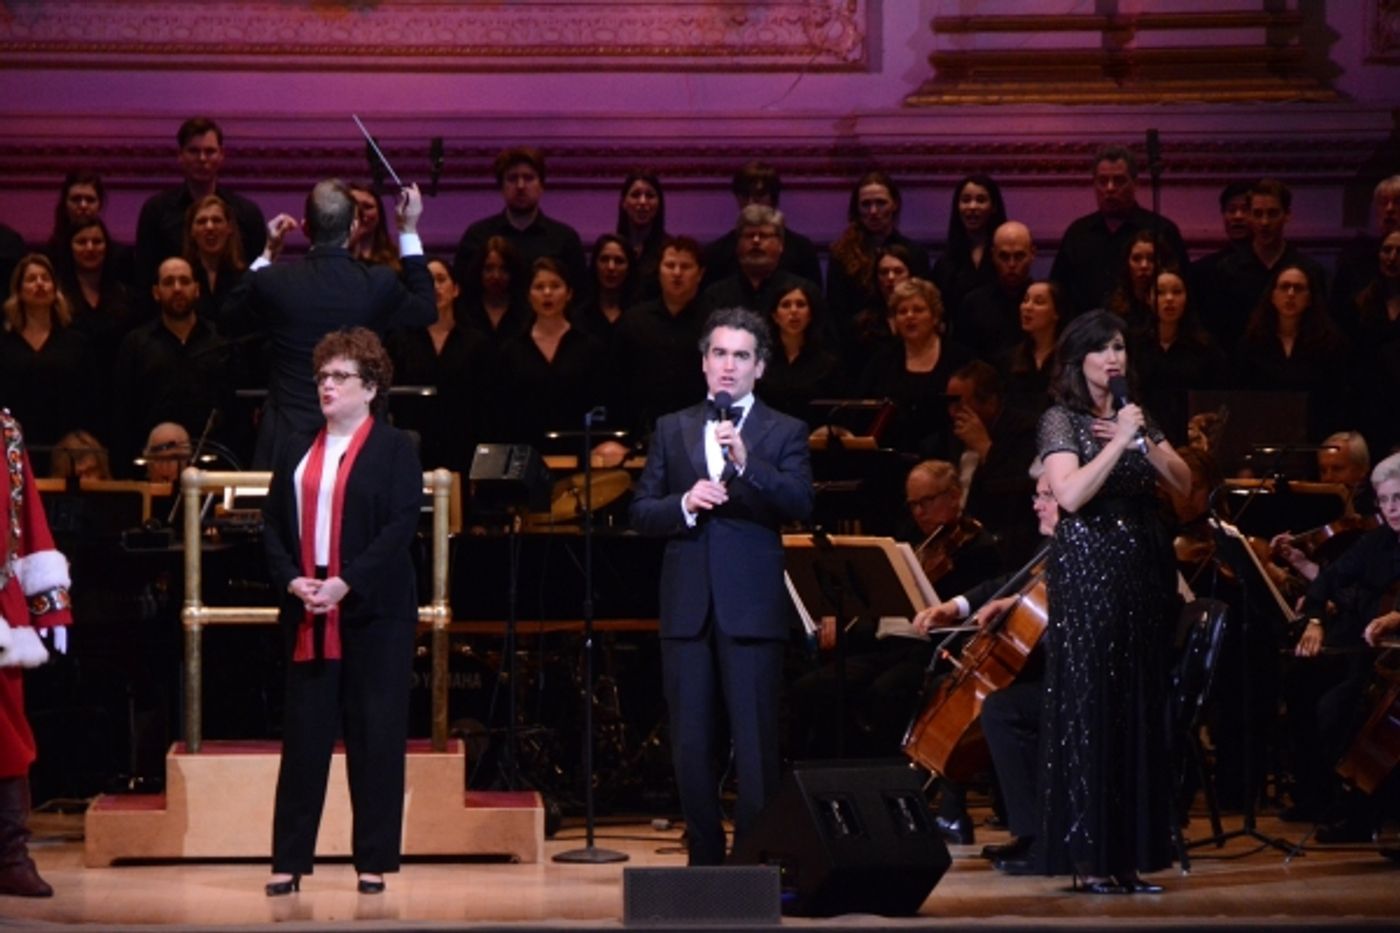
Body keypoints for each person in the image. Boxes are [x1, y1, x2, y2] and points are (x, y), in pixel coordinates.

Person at [628, 306, 813, 866]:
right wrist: (684, 504)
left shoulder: (784, 430)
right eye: (718, 354)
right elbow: (641, 510)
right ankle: (704, 858)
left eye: (741, 356)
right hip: (687, 606)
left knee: (755, 743)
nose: (728, 366)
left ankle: (753, 858)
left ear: (759, 367)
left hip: (751, 607)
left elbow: (800, 503)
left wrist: (748, 464)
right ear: (704, 363)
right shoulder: (671, 427)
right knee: (690, 742)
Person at [261, 328, 422, 897]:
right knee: (304, 736)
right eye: (322, 376)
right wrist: (292, 580)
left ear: (371, 387)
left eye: (339, 377)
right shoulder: (298, 444)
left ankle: (373, 862)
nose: (326, 386)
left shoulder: (397, 447)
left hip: (374, 610)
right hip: (309, 605)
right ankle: (289, 861)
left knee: (376, 735)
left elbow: (401, 525)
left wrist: (346, 583)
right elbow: (272, 525)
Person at [1033, 309, 1190, 892]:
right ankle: (1088, 858)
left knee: (1136, 706)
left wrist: (1141, 440)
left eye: (1120, 346)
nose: (1114, 358)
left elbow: (1183, 482)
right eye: (1102, 349)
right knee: (1094, 705)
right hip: (1092, 568)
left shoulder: (1136, 418)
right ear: (1079, 360)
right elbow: (1070, 494)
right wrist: (1119, 442)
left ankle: (1128, 856)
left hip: (1143, 568)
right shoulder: (1060, 421)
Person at [222, 179, 435, 467]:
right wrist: (408, 230)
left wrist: (267, 253)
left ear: (306, 227)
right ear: (353, 227)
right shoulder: (378, 282)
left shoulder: (274, 281)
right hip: (360, 449)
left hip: (288, 444)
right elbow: (426, 310)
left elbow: (227, 316)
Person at [913, 466, 1061, 872]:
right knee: (970, 692)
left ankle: (1035, 835)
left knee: (1000, 708)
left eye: (1045, 495)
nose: (1036, 503)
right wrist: (956, 606)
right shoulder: (1050, 548)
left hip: (1076, 682)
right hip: (1045, 672)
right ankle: (965, 811)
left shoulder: (1079, 553)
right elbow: (1007, 583)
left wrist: (1013, 607)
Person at [1283, 452, 1400, 842]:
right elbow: (1326, 581)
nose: (1391, 508)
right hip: (1373, 661)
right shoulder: (1377, 542)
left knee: (1347, 711)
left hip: (1391, 665)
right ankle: (1348, 804)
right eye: (1384, 501)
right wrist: (1314, 619)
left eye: (1399, 498)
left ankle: (1366, 810)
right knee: (1312, 693)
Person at [0, 410, 73, 898]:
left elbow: (27, 519)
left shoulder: (4, 430)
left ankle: (9, 856)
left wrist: (49, 606)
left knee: (7, 733)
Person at [112, 256, 232, 473]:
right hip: (151, 469)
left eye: (184, 281)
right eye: (168, 282)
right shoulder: (136, 344)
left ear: (197, 289)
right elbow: (123, 413)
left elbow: (234, 410)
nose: (177, 288)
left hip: (212, 466)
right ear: (156, 292)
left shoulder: (220, 341)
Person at [133, 117, 266, 296]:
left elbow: (257, 277)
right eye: (194, 151)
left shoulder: (246, 213)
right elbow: (145, 277)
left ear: (221, 154)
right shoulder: (156, 211)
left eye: (210, 151)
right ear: (180, 156)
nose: (202, 158)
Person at [1050, 145, 1187, 318]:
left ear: (1135, 183)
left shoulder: (1160, 230)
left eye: (1119, 181)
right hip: (1087, 335)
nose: (1110, 188)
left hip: (1146, 333)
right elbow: (1059, 293)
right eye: (1103, 181)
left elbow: (1182, 290)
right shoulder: (1078, 233)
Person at [492, 257, 612, 449]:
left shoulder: (591, 348)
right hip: (526, 456)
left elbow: (602, 405)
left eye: (555, 286)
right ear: (528, 295)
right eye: (539, 287)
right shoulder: (511, 351)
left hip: (579, 454)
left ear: (569, 293)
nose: (547, 293)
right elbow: (503, 412)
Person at [385, 258, 491, 473]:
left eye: (441, 280)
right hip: (414, 447)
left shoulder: (477, 342)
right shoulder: (399, 341)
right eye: (427, 281)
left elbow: (487, 404)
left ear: (456, 289)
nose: (435, 287)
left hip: (463, 445)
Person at [451, 146, 587, 307]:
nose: (520, 186)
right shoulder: (477, 236)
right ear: (501, 187)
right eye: (512, 178)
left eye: (528, 178)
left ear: (542, 186)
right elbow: (462, 295)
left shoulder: (565, 239)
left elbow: (580, 298)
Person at [1203, 178, 1328, 352]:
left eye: (1272, 213)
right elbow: (1218, 333)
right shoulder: (1226, 271)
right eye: (1257, 213)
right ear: (1249, 216)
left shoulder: (1308, 270)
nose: (1264, 222)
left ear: (1287, 215)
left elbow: (1319, 328)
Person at [858, 277, 972, 459]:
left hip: (947, 456)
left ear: (935, 316)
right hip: (890, 457)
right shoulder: (881, 360)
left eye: (918, 310)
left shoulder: (960, 358)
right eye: (902, 312)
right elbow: (863, 412)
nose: (910, 316)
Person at [1235, 262, 1350, 441]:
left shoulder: (1330, 343)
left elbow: (1338, 400)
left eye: (1298, 288)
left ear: (1310, 298)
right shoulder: (1252, 343)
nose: (1290, 294)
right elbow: (1243, 400)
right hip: (1263, 435)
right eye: (1284, 287)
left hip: (1316, 437)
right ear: (1272, 295)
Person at [0, 254, 96, 467]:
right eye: (32, 279)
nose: (40, 284)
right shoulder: (5, 344)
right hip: (12, 449)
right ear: (19, 290)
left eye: (45, 278)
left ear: (55, 288)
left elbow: (90, 397)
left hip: (66, 451)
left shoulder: (76, 342)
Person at [613, 236, 710, 443]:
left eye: (685, 266)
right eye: (669, 265)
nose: (676, 273)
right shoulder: (633, 321)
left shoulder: (717, 325)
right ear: (659, 271)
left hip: (703, 436)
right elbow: (617, 383)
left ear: (700, 273)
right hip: (643, 435)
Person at [1129, 267, 1227, 447]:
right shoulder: (1134, 345)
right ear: (1149, 298)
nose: (1169, 299)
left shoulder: (1204, 348)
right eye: (1160, 292)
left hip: (1191, 441)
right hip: (1143, 439)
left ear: (1187, 297)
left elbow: (1217, 400)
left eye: (1177, 292)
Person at [827, 171, 930, 327]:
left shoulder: (915, 254)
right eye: (866, 204)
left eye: (881, 203)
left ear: (894, 204)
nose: (873, 211)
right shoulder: (841, 254)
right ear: (857, 208)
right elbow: (835, 315)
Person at [701, 161, 822, 289]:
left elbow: (813, 301)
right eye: (744, 196)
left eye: (758, 195)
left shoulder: (802, 250)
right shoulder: (717, 253)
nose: (751, 202)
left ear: (773, 198)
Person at [756, 281, 843, 428]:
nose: (794, 311)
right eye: (785, 305)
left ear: (810, 315)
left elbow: (838, 413)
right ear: (775, 316)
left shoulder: (828, 364)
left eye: (801, 305)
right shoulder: (759, 362)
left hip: (812, 444)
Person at [932, 175, 1008, 324]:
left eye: (980, 200)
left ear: (994, 207)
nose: (972, 207)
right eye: (966, 200)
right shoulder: (945, 263)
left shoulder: (1006, 256)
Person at [954, 220, 1035, 361]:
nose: (1011, 264)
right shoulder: (973, 304)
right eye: (1004, 256)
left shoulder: (1045, 304)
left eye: (1019, 256)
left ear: (1032, 254)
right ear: (992, 255)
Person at [999, 279, 1066, 419]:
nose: (1027, 307)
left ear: (1056, 313)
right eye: (1025, 300)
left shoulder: (1069, 359)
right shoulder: (1010, 359)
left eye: (1039, 302)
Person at [181, 195, 247, 330]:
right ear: (191, 231)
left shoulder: (245, 277)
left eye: (217, 220)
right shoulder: (182, 279)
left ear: (229, 228)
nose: (209, 227)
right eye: (201, 221)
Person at [457, 234, 530, 344]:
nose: (496, 276)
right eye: (489, 268)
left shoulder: (526, 312)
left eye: (504, 269)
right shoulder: (463, 311)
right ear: (479, 270)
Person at [1105, 229, 1174, 334]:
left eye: (1151, 259)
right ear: (1126, 263)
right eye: (1136, 259)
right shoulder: (1113, 308)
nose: (1144, 265)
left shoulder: (1170, 304)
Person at [615, 170, 666, 303]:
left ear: (659, 203)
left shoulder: (669, 250)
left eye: (649, 196)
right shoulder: (611, 248)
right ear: (623, 203)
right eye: (635, 195)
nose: (643, 202)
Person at [573, 233, 635, 341]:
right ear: (594, 264)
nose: (611, 267)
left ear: (629, 268)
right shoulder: (578, 317)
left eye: (619, 261)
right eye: (604, 259)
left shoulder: (641, 318)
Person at [347, 183, 400, 272]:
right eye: (353, 206)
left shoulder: (397, 257)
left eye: (367, 207)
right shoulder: (334, 257)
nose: (360, 212)